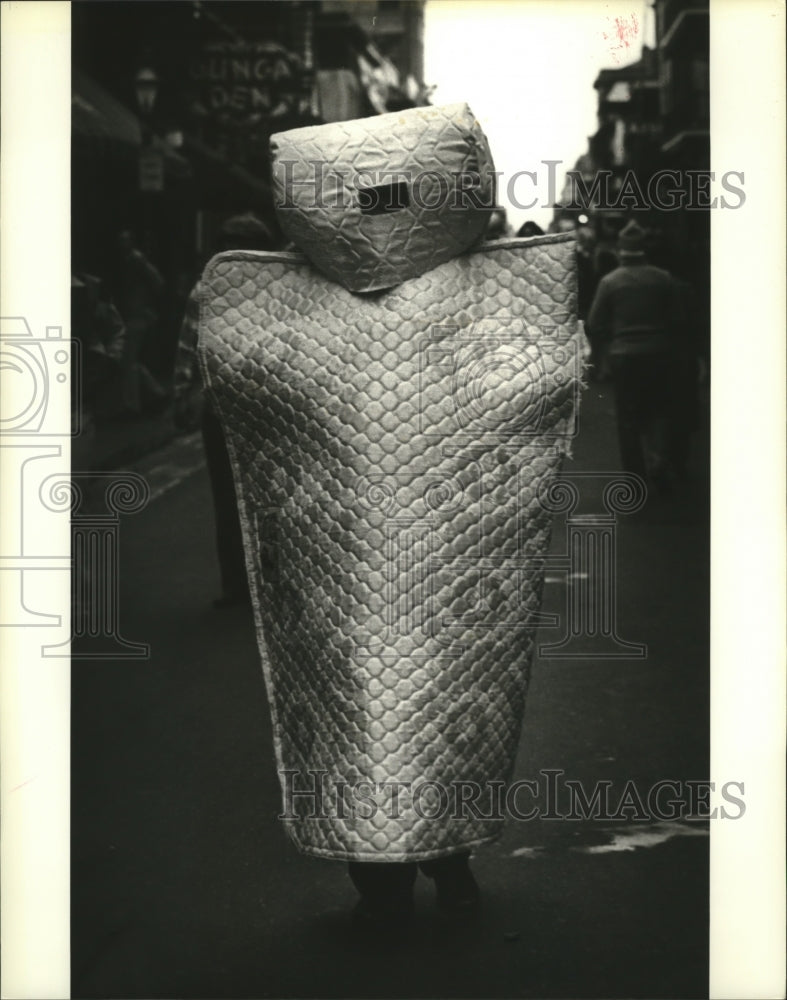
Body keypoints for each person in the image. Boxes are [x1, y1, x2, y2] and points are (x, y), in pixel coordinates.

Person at [173, 212, 276, 609]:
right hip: (266, 409)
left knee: (230, 499)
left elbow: (187, 346)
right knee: (269, 499)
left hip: (226, 410)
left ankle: (238, 586)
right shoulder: (278, 291)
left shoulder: (207, 289)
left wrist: (181, 394)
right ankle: (268, 582)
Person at [586, 220, 694, 489]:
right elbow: (678, 318)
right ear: (644, 249)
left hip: (625, 356)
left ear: (621, 250)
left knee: (628, 417)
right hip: (660, 353)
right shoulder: (663, 278)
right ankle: (660, 461)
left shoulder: (610, 282)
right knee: (659, 409)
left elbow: (594, 323)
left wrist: (610, 340)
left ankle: (635, 475)